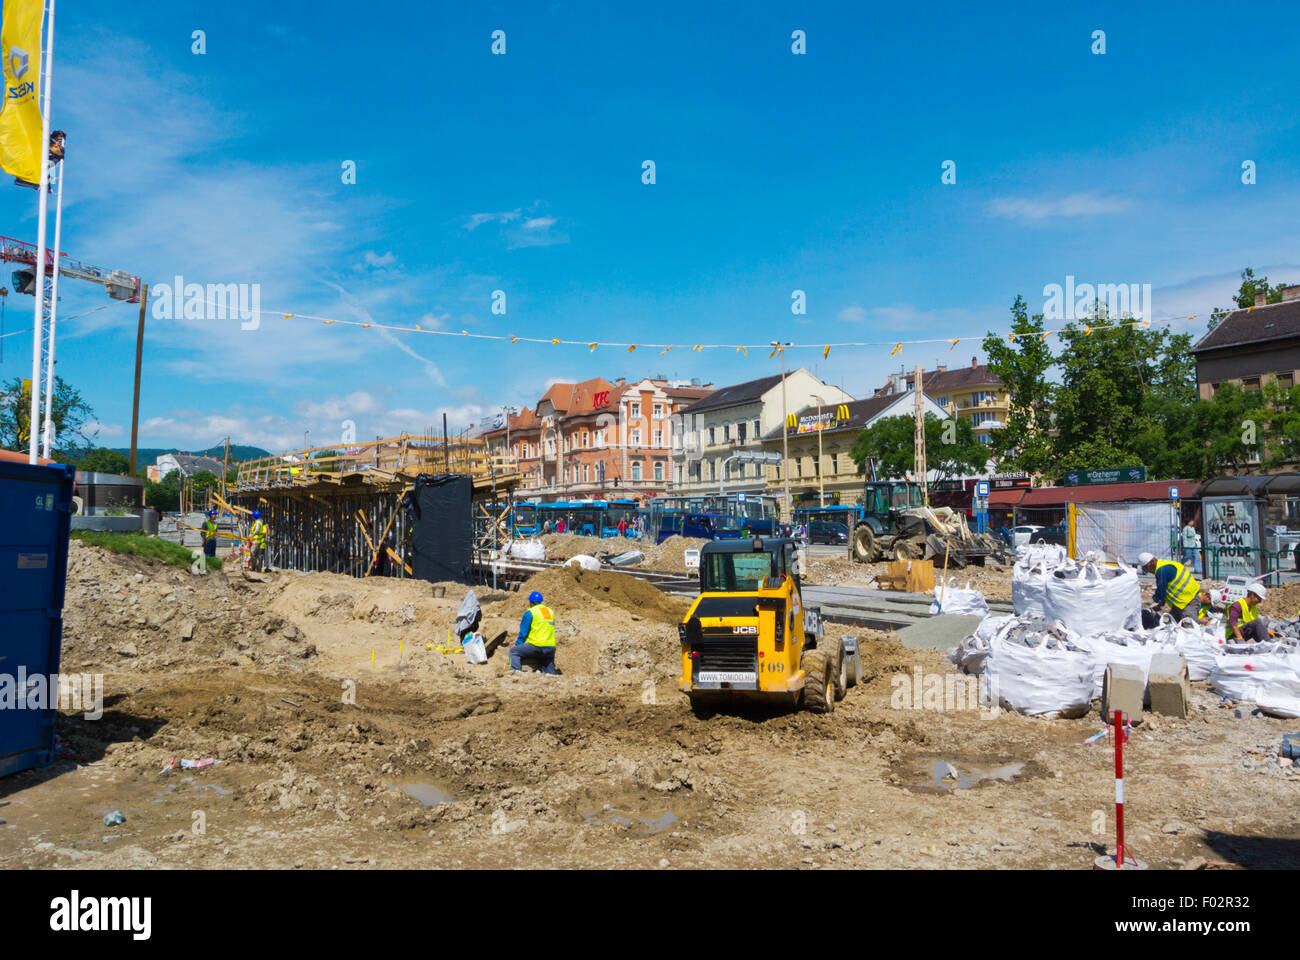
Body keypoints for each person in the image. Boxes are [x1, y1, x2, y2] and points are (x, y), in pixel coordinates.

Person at [1138, 551, 1200, 622]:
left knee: (1189, 626)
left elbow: (1161, 592)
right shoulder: (1164, 565)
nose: (1148, 571)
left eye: (1146, 569)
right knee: (1173, 624)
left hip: (1188, 601)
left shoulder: (1161, 571)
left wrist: (1154, 600)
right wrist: (1161, 603)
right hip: (1183, 601)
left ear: (1148, 567)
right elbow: (1166, 589)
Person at [511, 591, 557, 673]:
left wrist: (518, 644)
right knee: (549, 667)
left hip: (537, 646)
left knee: (514, 651)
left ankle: (516, 673)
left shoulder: (530, 612)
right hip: (551, 647)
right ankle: (552, 677)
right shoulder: (550, 611)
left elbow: (523, 632)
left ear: (531, 602)